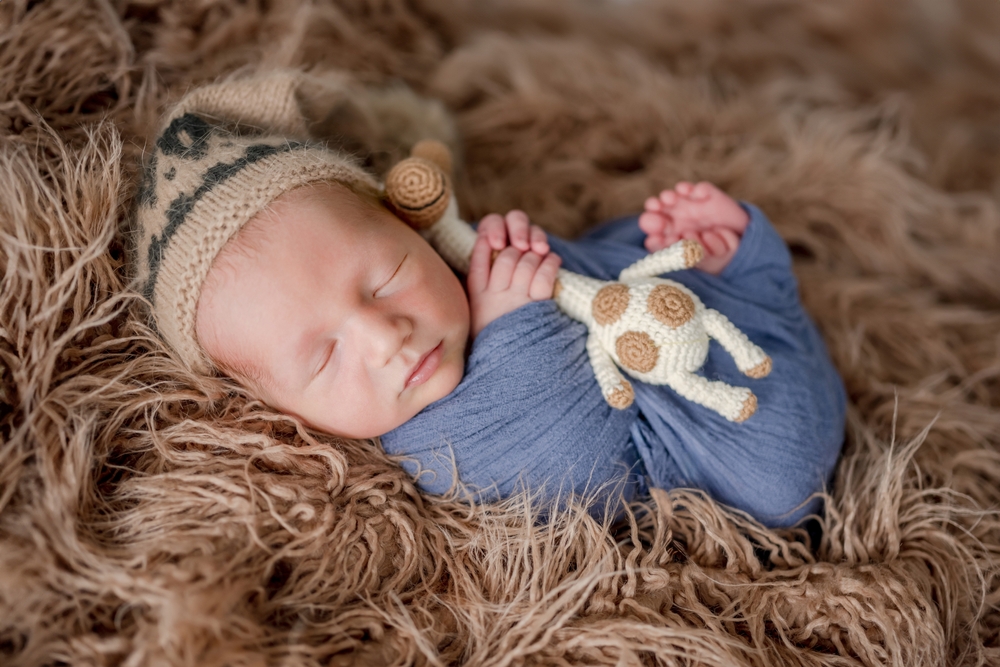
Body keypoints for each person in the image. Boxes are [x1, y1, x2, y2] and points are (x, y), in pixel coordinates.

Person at [132, 71, 846, 528]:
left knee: (626, 252)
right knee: (775, 479)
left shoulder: (474, 260)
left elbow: (605, 271)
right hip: (737, 451)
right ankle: (762, 294)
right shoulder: (420, 444)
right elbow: (578, 477)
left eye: (385, 277)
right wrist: (519, 331)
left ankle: (738, 263)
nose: (385, 334)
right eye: (324, 357)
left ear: (409, 225)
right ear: (278, 413)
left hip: (674, 326)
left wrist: (707, 249)